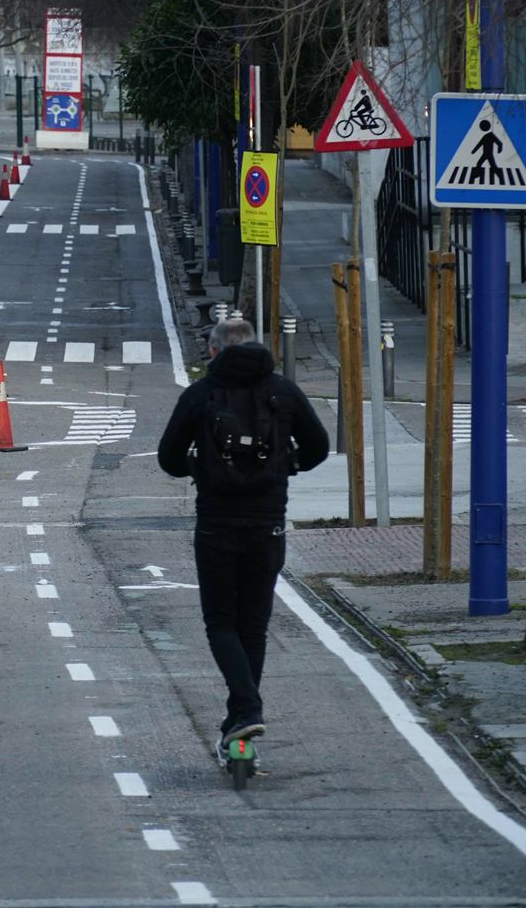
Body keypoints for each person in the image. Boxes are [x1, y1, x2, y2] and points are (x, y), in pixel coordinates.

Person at [157, 318, 330, 760]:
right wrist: (285, 466)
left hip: (216, 521)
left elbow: (168, 459)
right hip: (269, 520)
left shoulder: (200, 394)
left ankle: (246, 708)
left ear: (213, 351)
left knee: (220, 622)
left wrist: (200, 468)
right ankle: (241, 717)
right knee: (253, 624)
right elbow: (318, 447)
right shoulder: (283, 391)